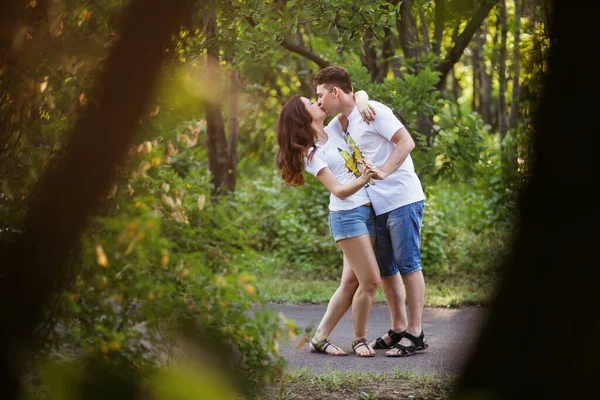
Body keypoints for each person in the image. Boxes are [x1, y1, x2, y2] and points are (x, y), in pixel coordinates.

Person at [314, 65, 428, 357]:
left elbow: (407, 142)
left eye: (320, 96)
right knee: (388, 270)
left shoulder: (374, 110)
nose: (318, 102)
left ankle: (415, 334)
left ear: (335, 92)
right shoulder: (345, 122)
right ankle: (398, 327)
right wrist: (360, 98)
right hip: (375, 206)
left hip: (401, 198)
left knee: (408, 264)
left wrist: (383, 172)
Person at [275, 95, 380, 357]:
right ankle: (359, 339)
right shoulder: (312, 154)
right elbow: (339, 190)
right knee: (370, 281)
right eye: (310, 102)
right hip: (347, 216)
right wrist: (365, 177)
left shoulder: (332, 129)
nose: (317, 102)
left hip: (366, 211)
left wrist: (364, 100)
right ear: (303, 115)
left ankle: (319, 339)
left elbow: (351, 101)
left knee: (350, 282)